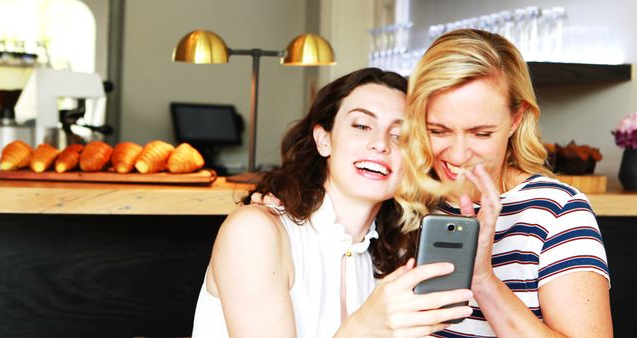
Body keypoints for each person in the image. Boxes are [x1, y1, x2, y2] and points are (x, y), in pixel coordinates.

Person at [191, 68, 500, 338]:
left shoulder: (396, 257)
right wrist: (364, 328)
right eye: (361, 126)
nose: (380, 144)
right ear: (324, 139)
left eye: (400, 135)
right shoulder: (255, 232)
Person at [396, 29, 612, 337]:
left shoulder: (557, 211)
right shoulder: (405, 203)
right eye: (438, 130)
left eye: (481, 133)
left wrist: (483, 279)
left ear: (515, 119)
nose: (458, 154)